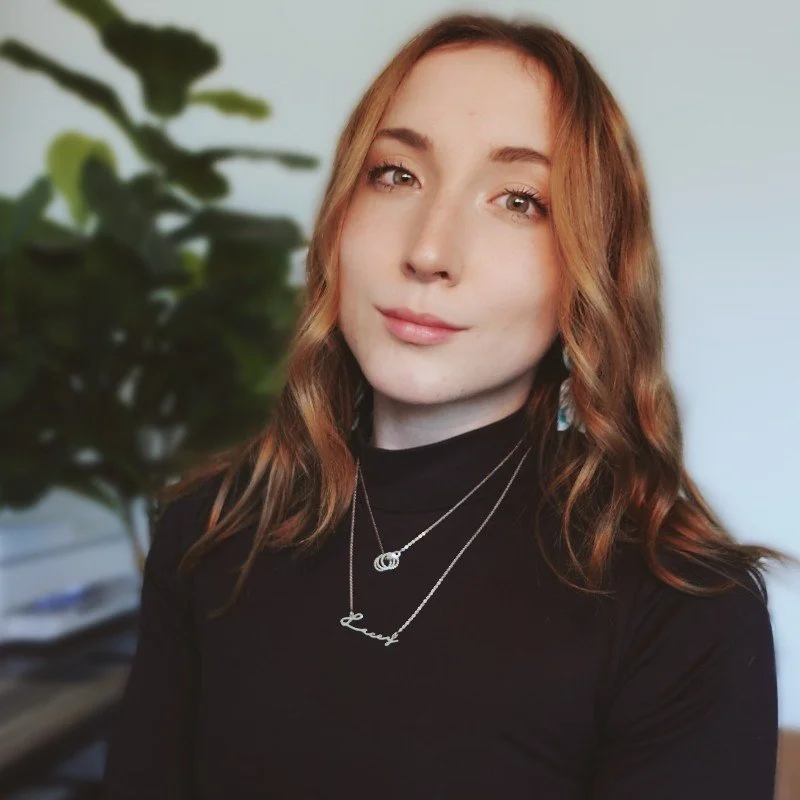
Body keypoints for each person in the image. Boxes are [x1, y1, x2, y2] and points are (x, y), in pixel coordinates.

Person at [101, 12, 790, 799]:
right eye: (397, 174)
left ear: (588, 269)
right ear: (339, 216)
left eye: (519, 200)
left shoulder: (685, 611)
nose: (429, 251)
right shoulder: (209, 530)